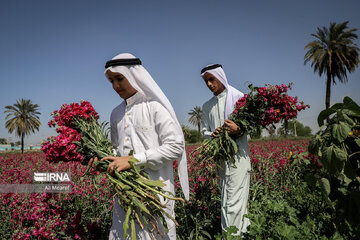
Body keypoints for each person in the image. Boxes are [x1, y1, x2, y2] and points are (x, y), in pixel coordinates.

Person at [89, 53, 189, 240]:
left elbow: (176, 146)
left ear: (134, 75)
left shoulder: (155, 107)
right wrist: (102, 159)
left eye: (119, 78)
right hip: (125, 193)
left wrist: (134, 160)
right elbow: (116, 150)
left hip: (155, 194)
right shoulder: (116, 113)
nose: (116, 86)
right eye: (111, 81)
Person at [200, 64, 251, 235]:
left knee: (233, 203)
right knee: (228, 201)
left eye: (211, 79)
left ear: (220, 77)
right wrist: (211, 134)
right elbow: (204, 131)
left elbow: (250, 126)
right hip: (221, 161)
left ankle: (230, 236)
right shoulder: (207, 106)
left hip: (239, 159)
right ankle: (240, 235)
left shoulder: (239, 98)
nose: (209, 84)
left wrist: (238, 130)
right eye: (206, 81)